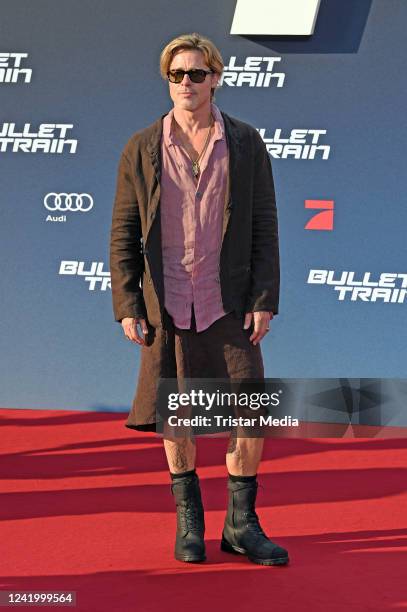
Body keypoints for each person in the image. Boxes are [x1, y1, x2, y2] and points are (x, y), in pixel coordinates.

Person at [109, 32, 288, 566]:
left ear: (216, 77)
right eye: (177, 74)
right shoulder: (141, 146)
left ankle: (242, 524)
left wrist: (264, 297)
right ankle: (190, 522)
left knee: (251, 412)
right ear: (167, 80)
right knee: (176, 414)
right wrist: (128, 303)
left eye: (197, 73)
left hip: (227, 299)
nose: (186, 83)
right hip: (167, 302)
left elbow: (264, 224)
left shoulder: (246, 142)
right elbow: (123, 230)